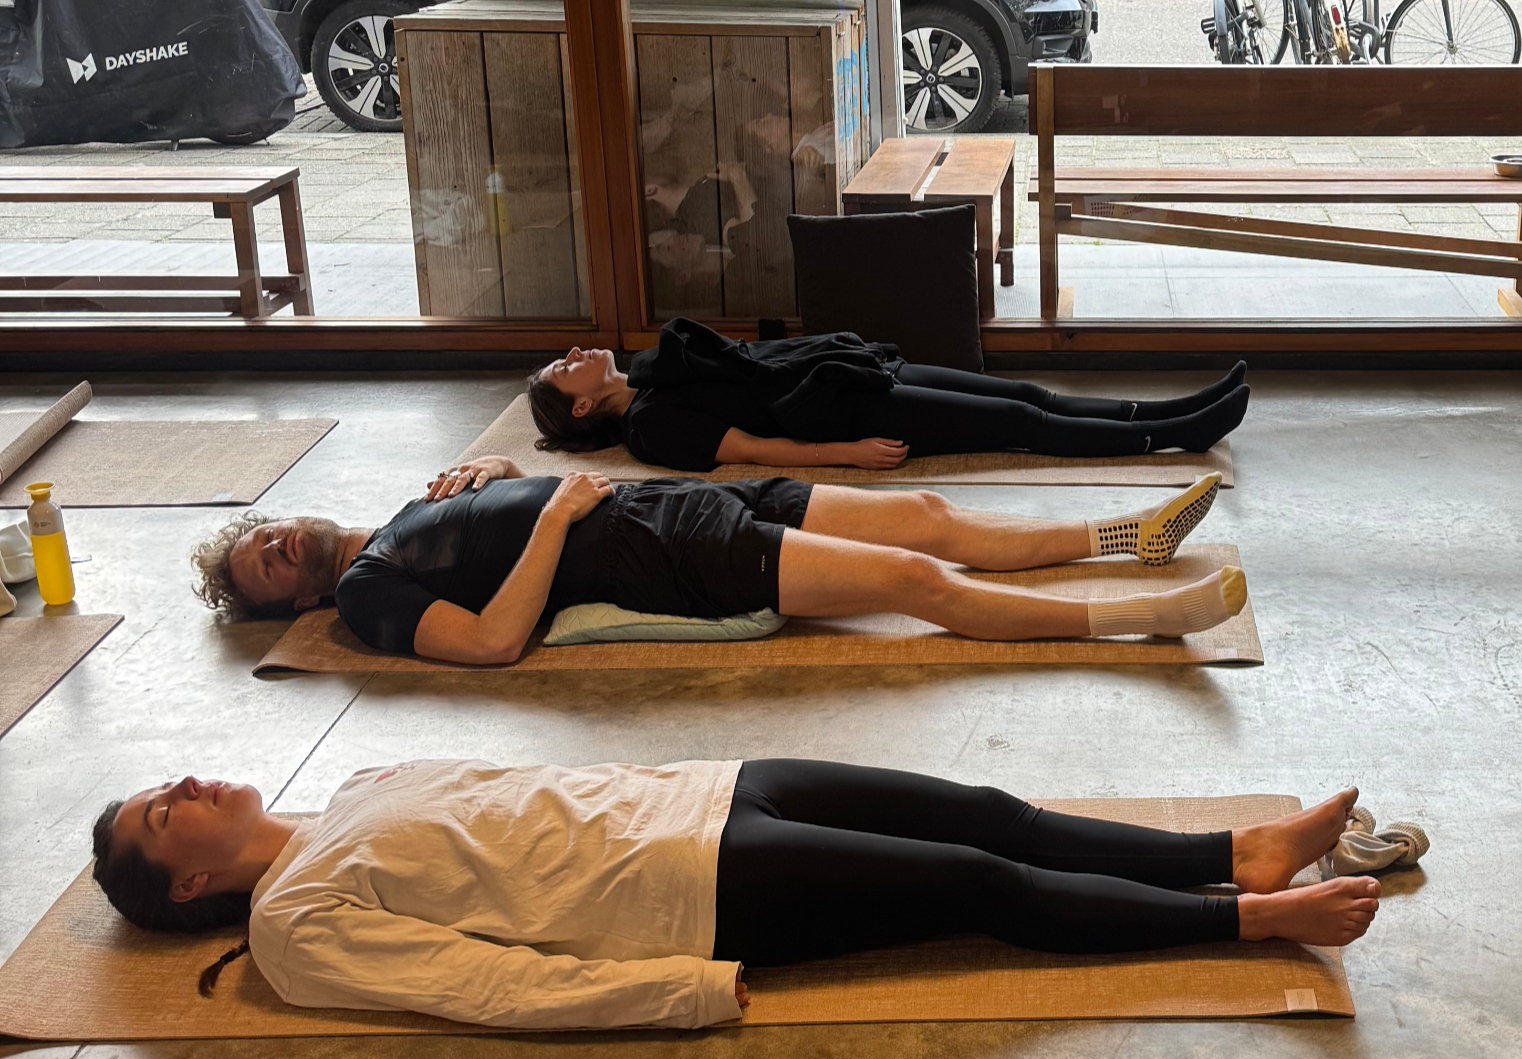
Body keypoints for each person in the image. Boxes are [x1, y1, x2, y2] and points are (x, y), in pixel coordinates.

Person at [88, 763, 1382, 1025]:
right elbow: (475, 985)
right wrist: (674, 993)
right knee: (978, 884)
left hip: (706, 792)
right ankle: (1245, 920)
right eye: (163, 810)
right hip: (684, 891)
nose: (186, 784)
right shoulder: (293, 929)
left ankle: (1236, 851)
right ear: (189, 877)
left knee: (989, 814)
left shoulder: (353, 788)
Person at [187, 459, 1241, 666]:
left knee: (921, 514)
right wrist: (556, 516)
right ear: (298, 602)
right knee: (916, 587)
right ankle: (1141, 621)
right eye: (264, 568)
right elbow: (493, 640)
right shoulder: (366, 594)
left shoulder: (403, 513)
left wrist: (500, 473)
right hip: (659, 551)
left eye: (264, 535)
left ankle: (1125, 539)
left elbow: (496, 514)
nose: (272, 547)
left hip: (676, 498)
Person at [525, 328, 1250, 474]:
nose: (577, 352)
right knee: (1019, 424)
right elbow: (751, 449)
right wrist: (846, 454)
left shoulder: (648, 375)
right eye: (566, 367)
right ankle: (1173, 436)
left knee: (1026, 390)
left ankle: (1166, 410)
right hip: (851, 414)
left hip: (855, 375)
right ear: (581, 408)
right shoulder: (651, 426)